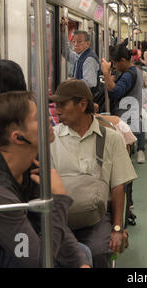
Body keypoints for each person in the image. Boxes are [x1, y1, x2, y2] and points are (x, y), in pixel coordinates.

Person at [0, 91, 91, 267]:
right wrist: (59, 199)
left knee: (82, 253)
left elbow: (44, 221)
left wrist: (80, 263)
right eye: (37, 118)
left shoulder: (28, 166)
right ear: (18, 137)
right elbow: (38, 263)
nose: (48, 119)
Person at [49, 80, 137, 268]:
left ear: (82, 105)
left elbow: (118, 185)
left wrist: (117, 228)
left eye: (62, 104)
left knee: (98, 251)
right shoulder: (51, 138)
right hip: (59, 220)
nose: (57, 110)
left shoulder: (110, 138)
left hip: (95, 219)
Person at [101, 43, 146, 164]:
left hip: (125, 118)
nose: (114, 67)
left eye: (115, 63)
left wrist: (106, 74)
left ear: (122, 60)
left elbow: (115, 93)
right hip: (131, 116)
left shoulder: (128, 75)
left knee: (122, 158)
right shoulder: (135, 71)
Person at [60, 17, 100, 91]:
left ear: (88, 44)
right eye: (74, 42)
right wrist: (63, 31)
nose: (75, 45)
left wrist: (72, 82)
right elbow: (66, 52)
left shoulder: (89, 59)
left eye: (79, 42)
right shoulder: (80, 56)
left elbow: (90, 83)